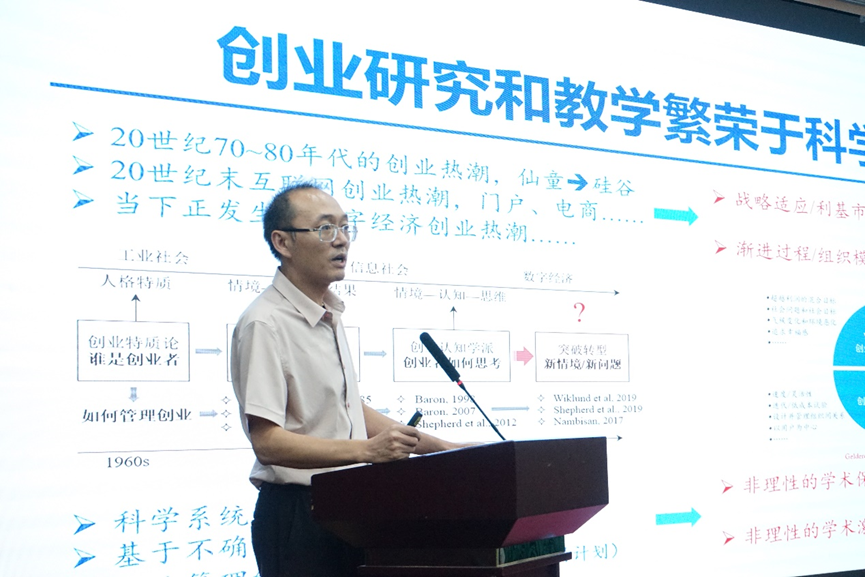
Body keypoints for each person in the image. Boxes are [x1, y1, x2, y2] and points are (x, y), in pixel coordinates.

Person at [231, 183, 461, 577]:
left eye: (344, 227)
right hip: (299, 516)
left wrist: (444, 450)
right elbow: (267, 442)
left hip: (349, 508)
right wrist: (367, 451)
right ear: (282, 242)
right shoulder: (264, 323)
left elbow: (346, 408)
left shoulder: (328, 313)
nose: (341, 240)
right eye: (324, 229)